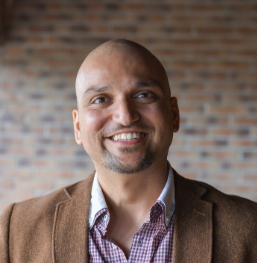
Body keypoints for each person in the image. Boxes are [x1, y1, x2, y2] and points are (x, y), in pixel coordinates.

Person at [0, 39, 257, 263]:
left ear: (174, 115)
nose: (125, 116)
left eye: (144, 95)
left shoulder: (247, 228)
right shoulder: (16, 230)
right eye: (100, 99)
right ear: (78, 127)